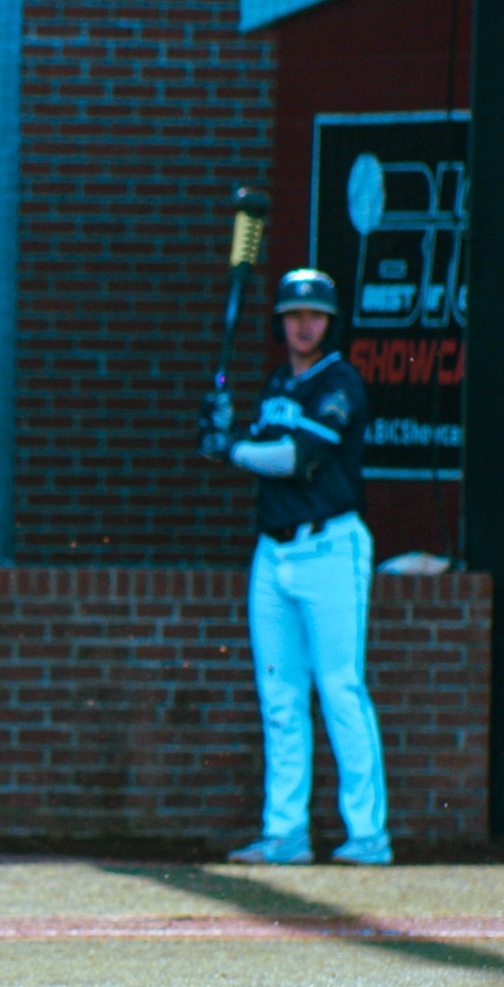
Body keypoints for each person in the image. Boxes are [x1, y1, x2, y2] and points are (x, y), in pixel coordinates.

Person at [199, 268, 390, 866]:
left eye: (313, 315)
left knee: (340, 688)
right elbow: (262, 443)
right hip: (274, 552)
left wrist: (228, 446)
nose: (303, 324)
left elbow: (297, 459)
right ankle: (286, 833)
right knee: (279, 694)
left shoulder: (340, 384)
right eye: (293, 314)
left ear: (328, 323)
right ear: (282, 321)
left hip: (330, 547)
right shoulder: (280, 382)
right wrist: (226, 425)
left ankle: (368, 836)